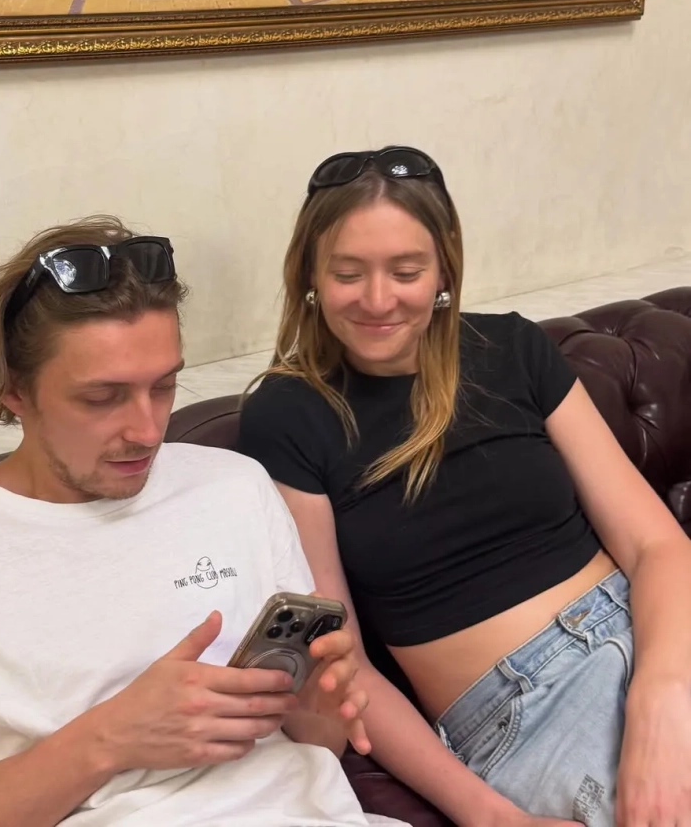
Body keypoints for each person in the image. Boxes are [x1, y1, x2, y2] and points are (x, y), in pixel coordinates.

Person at [0, 215, 406, 827]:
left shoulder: (235, 485)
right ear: (14, 390)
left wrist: (319, 704)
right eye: (102, 397)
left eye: (163, 386)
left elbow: (318, 747)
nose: (146, 430)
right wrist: (110, 738)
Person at [237, 147, 691, 827]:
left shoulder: (514, 349)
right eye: (348, 273)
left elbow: (656, 544)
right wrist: (489, 816)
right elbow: (344, 665)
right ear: (310, 276)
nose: (378, 300)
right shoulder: (288, 414)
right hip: (525, 708)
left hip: (657, 632)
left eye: (406, 271)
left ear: (444, 270)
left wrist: (662, 695)